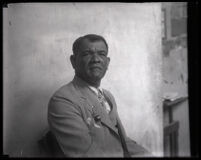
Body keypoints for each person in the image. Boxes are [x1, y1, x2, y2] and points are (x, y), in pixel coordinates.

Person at [47, 34, 152, 157]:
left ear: (107, 62)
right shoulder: (63, 100)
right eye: (87, 54)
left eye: (102, 54)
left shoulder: (107, 96)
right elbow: (86, 153)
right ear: (73, 61)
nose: (96, 59)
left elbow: (123, 142)